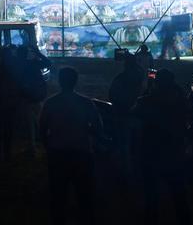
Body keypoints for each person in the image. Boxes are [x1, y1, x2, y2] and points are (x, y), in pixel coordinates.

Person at [38, 67, 102, 225]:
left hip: (58, 152)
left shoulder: (51, 103)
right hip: (81, 152)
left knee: (58, 195)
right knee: (84, 195)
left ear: (60, 81)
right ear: (76, 81)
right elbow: (97, 128)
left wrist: (48, 146)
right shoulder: (86, 103)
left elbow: (42, 128)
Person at [133, 67, 191, 224]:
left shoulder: (147, 101)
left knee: (152, 195)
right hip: (174, 152)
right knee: (179, 194)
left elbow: (135, 113)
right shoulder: (180, 101)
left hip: (152, 153)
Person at [106, 52, 145, 181]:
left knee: (124, 144)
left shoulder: (121, 78)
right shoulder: (139, 76)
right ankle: (135, 169)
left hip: (123, 113)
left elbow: (111, 94)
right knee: (135, 143)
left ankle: (125, 172)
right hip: (136, 113)